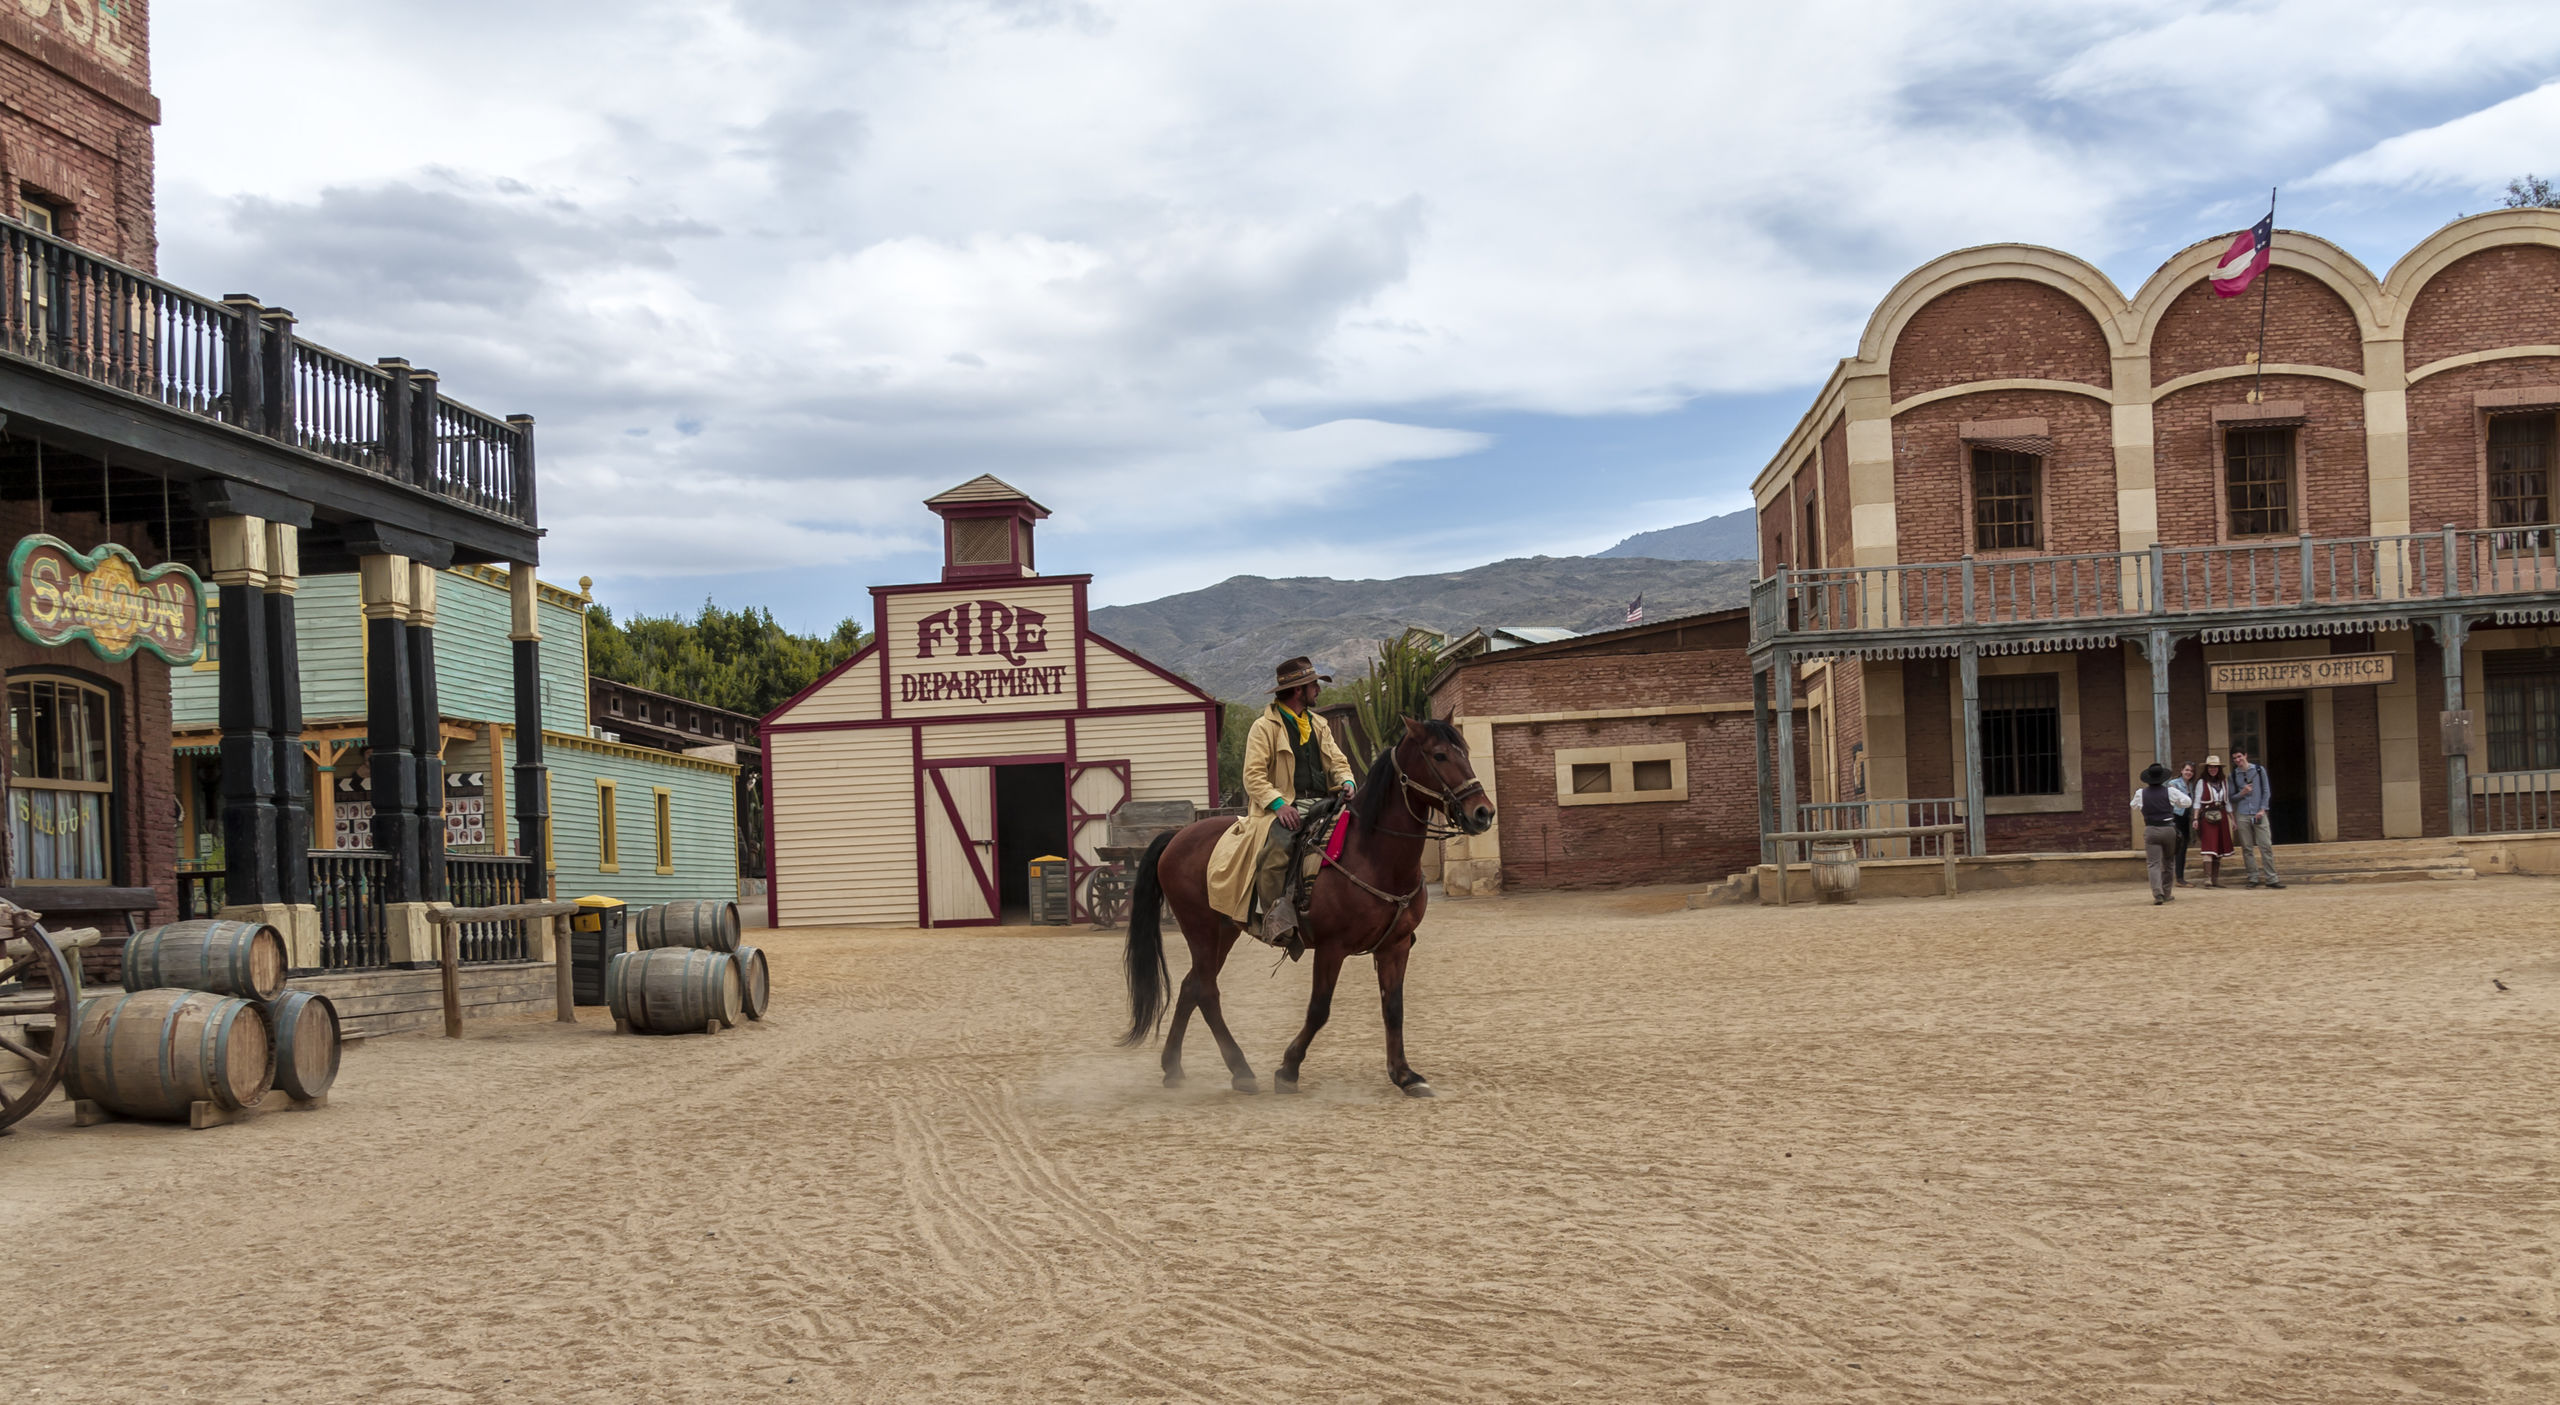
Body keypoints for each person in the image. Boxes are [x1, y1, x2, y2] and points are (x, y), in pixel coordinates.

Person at [1202, 656, 1356, 946]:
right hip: (1283, 806)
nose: (1318, 690)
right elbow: (1253, 776)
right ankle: (1275, 918)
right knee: (1275, 853)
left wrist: (1347, 781)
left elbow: (1338, 762)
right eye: (1314, 685)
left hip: (1324, 802)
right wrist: (1278, 805)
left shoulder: (1319, 725)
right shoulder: (1264, 727)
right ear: (1299, 690)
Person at [2228, 747, 2285, 889]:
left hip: (2259, 813)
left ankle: (2271, 878)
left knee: (2265, 845)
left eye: (2239, 756)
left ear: (2245, 755)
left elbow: (2266, 791)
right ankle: (2253, 877)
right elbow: (2231, 797)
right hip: (2242, 813)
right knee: (2247, 847)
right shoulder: (2233, 775)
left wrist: (2263, 809)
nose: (2238, 760)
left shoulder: (2259, 770)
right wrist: (2242, 792)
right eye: (2235, 758)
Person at [2131, 763, 2182, 904]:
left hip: (2151, 829)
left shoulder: (2141, 793)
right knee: (2169, 862)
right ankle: (2167, 893)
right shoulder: (2170, 792)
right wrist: (2174, 803)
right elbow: (2187, 802)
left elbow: (2133, 805)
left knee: (2153, 864)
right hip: (2168, 828)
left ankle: (2157, 894)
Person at [2190, 755, 2236, 888]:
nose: (2213, 769)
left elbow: (2227, 802)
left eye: (2215, 767)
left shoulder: (2224, 782)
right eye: (2210, 767)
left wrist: (2233, 820)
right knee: (2209, 847)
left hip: (2221, 816)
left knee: (2219, 847)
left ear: (2219, 768)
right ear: (2207, 768)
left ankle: (2215, 879)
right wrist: (2195, 818)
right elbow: (2197, 802)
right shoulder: (2202, 782)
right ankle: (2208, 879)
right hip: (2207, 816)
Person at [2168, 761, 2197, 887]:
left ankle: (2180, 878)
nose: (2189, 772)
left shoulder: (2191, 785)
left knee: (2183, 848)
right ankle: (2177, 878)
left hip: (2186, 819)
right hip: (2176, 817)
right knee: (2177, 847)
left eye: (2191, 771)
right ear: (2181, 770)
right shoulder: (2173, 784)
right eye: (2187, 770)